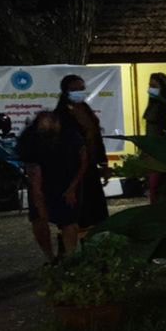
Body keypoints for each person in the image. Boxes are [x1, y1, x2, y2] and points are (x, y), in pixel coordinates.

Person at [18, 110, 86, 260]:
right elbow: (34, 174)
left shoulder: (70, 135)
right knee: (39, 220)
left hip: (67, 179)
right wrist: (40, 203)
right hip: (43, 181)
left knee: (69, 221)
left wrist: (72, 187)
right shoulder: (30, 138)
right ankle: (50, 258)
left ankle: (70, 257)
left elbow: (83, 161)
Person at [56, 74, 110, 230]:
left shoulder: (85, 109)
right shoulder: (61, 114)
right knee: (78, 210)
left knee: (96, 210)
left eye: (82, 89)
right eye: (75, 89)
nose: (79, 92)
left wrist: (103, 163)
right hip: (73, 169)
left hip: (90, 166)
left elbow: (96, 137)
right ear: (66, 91)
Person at [142, 72, 166, 203]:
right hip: (152, 152)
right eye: (150, 86)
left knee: (157, 187)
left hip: (158, 154)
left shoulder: (162, 107)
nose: (150, 89)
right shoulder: (154, 105)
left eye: (154, 86)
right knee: (154, 187)